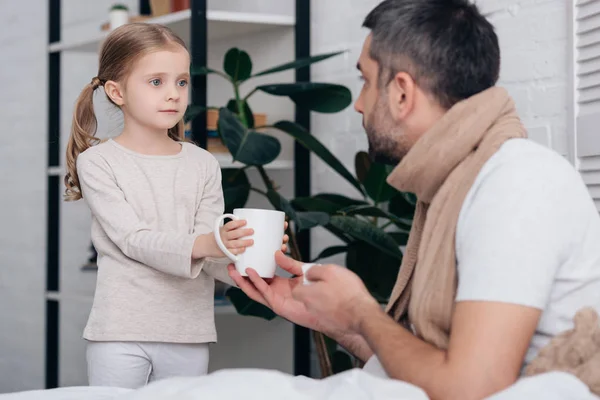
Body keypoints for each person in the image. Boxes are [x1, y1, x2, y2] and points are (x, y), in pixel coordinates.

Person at [229, 1, 600, 399]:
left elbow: (471, 388)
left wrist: (362, 312)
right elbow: (431, 370)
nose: (359, 103)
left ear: (402, 93)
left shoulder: (516, 182)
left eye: (366, 81)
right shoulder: (459, 181)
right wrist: (338, 322)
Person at [63, 23, 287, 389]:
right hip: (120, 332)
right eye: (156, 82)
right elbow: (133, 239)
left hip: (188, 331)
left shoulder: (203, 164)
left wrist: (247, 254)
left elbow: (209, 256)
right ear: (116, 92)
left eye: (181, 82)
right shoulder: (98, 163)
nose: (173, 94)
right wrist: (210, 244)